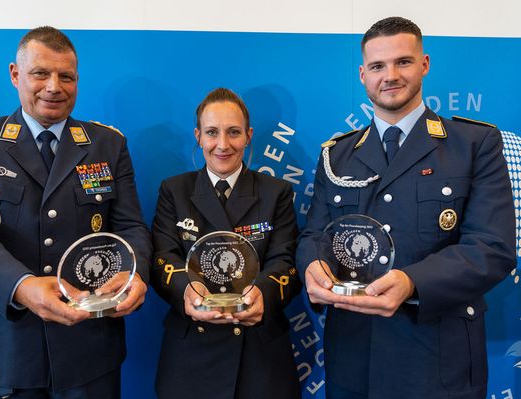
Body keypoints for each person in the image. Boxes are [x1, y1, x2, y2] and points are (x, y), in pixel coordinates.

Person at [296, 16, 516, 399]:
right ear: (362, 75)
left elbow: (491, 248)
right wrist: (311, 266)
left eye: (403, 62)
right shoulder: (338, 155)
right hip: (354, 357)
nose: (390, 76)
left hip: (437, 355)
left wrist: (412, 282)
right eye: (378, 66)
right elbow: (315, 234)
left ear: (425, 64)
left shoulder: (474, 144)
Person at [0, 26, 152, 399]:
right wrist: (23, 286)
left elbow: (130, 227)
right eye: (40, 73)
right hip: (5, 342)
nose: (54, 86)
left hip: (89, 342)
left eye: (65, 76)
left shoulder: (108, 145)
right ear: (16, 75)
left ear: (77, 80)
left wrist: (135, 274)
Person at [150, 88, 301, 399]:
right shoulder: (174, 191)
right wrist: (187, 291)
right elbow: (163, 256)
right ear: (198, 136)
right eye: (211, 133)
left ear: (248, 136)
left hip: (259, 354)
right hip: (191, 352)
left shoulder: (277, 192)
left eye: (233, 132)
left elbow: (285, 260)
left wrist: (264, 294)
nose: (222, 144)